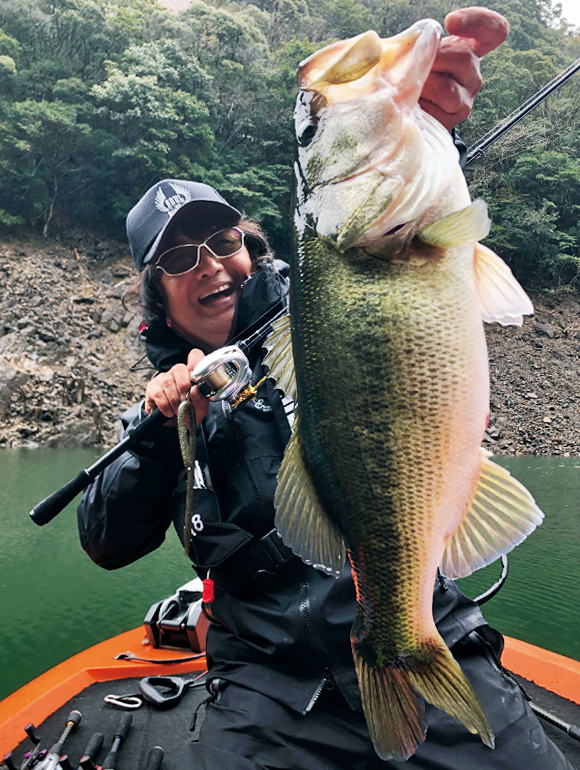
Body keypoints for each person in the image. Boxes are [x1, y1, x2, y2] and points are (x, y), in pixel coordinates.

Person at [77, 8, 575, 770]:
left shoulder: (313, 299)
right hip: (265, 685)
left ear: (251, 247)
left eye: (222, 240)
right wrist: (152, 429)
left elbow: (390, 219)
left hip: (425, 613)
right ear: (155, 292)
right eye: (179, 257)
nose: (210, 265)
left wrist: (426, 130)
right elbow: (104, 541)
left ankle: (404, 646)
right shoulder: (163, 406)